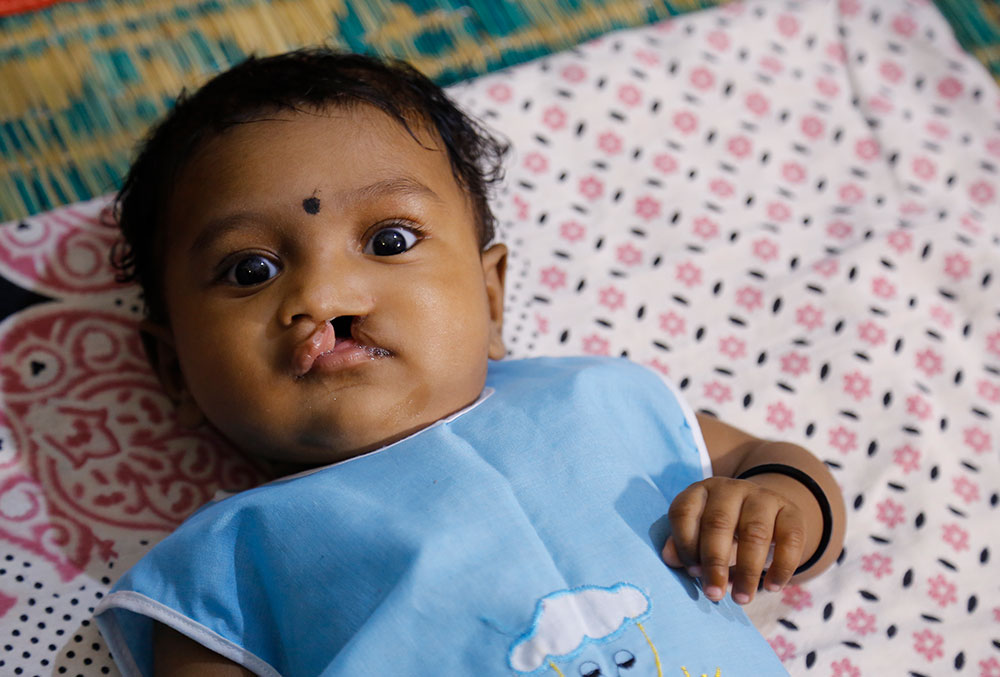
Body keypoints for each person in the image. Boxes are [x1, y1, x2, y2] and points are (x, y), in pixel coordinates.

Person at [94, 49, 846, 677]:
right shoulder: (225, 563)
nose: (324, 295)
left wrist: (775, 507)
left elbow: (768, 463)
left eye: (389, 241)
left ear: (490, 296)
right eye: (250, 270)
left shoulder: (596, 396)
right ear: (175, 370)